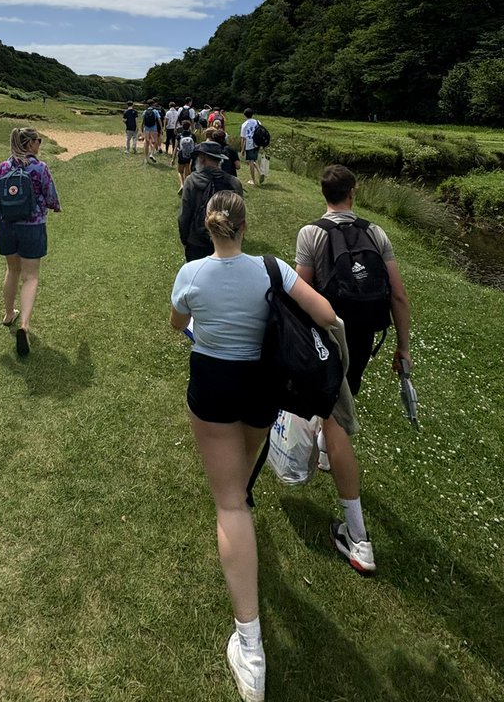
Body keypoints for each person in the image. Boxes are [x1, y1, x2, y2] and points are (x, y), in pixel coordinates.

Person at [169, 192, 372, 701]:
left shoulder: (192, 273)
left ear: (208, 227)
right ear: (243, 225)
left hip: (212, 386)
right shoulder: (271, 267)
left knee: (229, 502)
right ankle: (242, 497)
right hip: (261, 386)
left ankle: (251, 645)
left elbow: (178, 323)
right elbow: (326, 313)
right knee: (242, 470)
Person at [295, 163, 412, 479]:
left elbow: (300, 288)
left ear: (324, 193)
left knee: (325, 385)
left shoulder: (311, 233)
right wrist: (403, 348)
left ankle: (322, 442)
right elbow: (398, 295)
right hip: (363, 326)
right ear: (352, 193)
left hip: (327, 326)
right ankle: (328, 444)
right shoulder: (375, 232)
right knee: (348, 385)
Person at [0, 127, 61, 357]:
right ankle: (24, 326)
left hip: (8, 227)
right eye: (38, 140)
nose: (40, 143)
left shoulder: (3, 167)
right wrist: (54, 206)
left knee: (12, 270)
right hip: (33, 227)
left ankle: (8, 314)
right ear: (28, 144)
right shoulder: (40, 167)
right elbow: (51, 196)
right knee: (31, 276)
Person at [178, 140, 243, 261]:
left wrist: (185, 240)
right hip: (226, 243)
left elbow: (184, 216)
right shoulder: (234, 183)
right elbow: (239, 217)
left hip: (197, 242)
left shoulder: (191, 181)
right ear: (220, 160)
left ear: (202, 159)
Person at [240, 108, 263, 187]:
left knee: (250, 161)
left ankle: (253, 180)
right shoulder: (257, 122)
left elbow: (243, 138)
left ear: (244, 115)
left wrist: (242, 150)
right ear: (252, 114)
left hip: (249, 144)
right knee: (253, 160)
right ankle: (260, 172)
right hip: (257, 143)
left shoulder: (244, 125)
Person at [173, 118, 197, 192]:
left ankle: (182, 185)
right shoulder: (192, 136)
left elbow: (176, 147)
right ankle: (187, 186)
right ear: (189, 127)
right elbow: (195, 146)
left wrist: (173, 159)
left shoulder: (179, 136)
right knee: (187, 171)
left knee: (180, 171)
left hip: (181, 155)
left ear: (182, 127)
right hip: (190, 156)